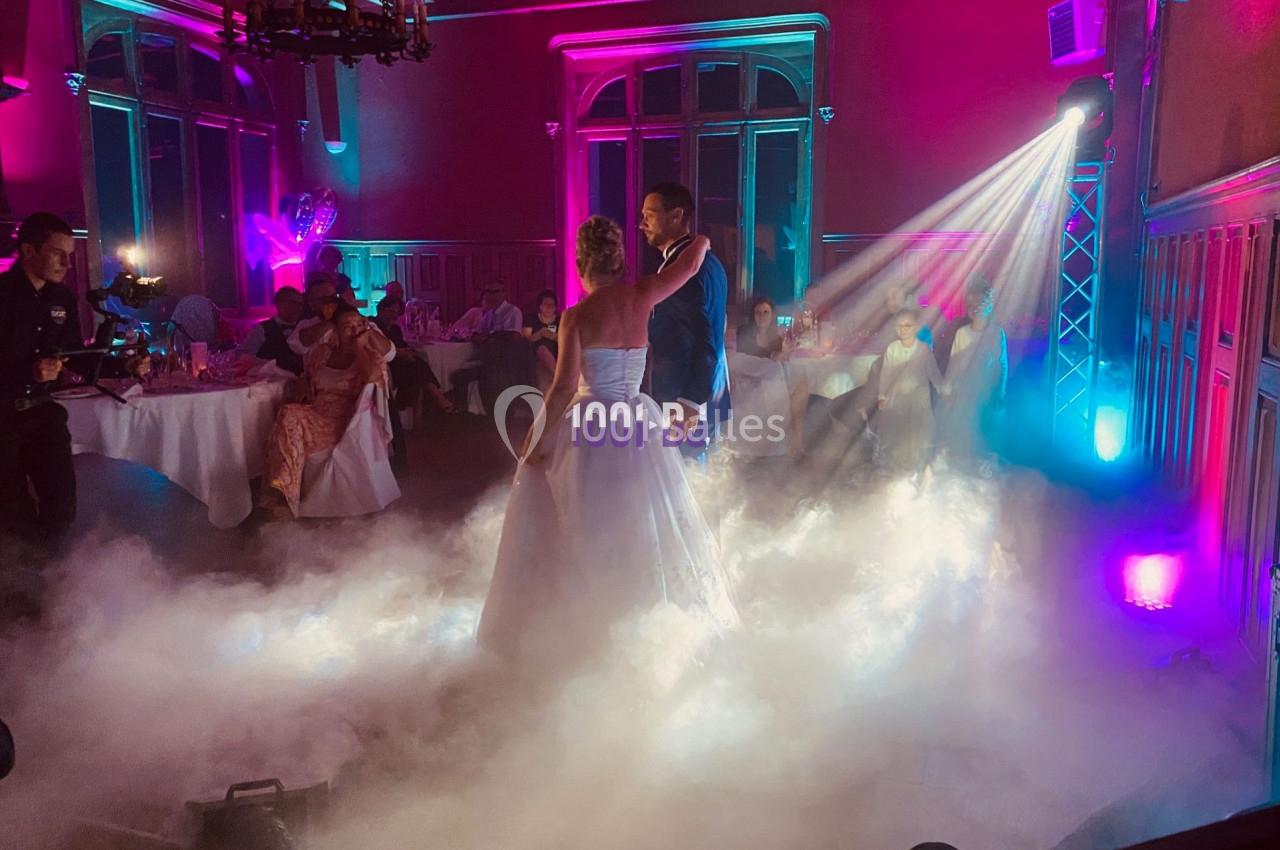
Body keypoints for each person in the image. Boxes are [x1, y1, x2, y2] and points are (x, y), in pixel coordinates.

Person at [477, 216, 738, 661]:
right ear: (619, 261)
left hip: (590, 423)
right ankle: (638, 614)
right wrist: (706, 238)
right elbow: (693, 263)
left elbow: (561, 389)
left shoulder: (576, 317)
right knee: (642, 519)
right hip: (637, 420)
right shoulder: (642, 295)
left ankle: (583, 622)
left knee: (580, 521)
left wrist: (534, 441)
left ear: (581, 262)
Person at [0, 213, 148, 545]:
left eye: (70, 253)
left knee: (62, 508)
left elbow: (75, 359)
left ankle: (48, 582)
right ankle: (23, 590)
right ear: (28, 250)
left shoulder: (62, 299)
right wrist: (29, 371)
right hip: (4, 417)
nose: (66, 263)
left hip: (42, 413)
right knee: (13, 517)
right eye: (56, 253)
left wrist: (124, 367)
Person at [262, 305, 391, 518]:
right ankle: (281, 493)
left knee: (290, 417)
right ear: (335, 332)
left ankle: (282, 498)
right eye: (347, 327)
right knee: (285, 415)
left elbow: (372, 378)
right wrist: (303, 383)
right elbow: (308, 377)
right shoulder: (322, 353)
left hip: (348, 421)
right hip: (316, 413)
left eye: (359, 325)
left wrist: (359, 346)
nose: (355, 330)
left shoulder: (370, 357)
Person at [641, 182, 730, 446]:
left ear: (676, 216)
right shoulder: (711, 262)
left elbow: (705, 335)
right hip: (705, 392)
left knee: (680, 480)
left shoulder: (683, 270)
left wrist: (688, 402)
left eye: (650, 214)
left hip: (684, 398)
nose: (642, 223)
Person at [938, 280, 1007, 466]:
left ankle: (982, 464)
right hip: (964, 390)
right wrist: (947, 388)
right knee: (964, 426)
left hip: (986, 389)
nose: (975, 309)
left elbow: (1003, 365)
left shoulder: (996, 333)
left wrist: (1000, 391)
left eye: (980, 304)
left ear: (990, 306)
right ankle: (962, 461)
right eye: (971, 305)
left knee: (984, 428)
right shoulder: (962, 333)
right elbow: (954, 363)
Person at [876, 308, 946, 472]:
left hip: (918, 399)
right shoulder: (892, 349)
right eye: (899, 326)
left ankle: (918, 464)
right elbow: (885, 374)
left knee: (918, 432)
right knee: (899, 432)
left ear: (916, 327)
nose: (903, 330)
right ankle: (899, 464)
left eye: (908, 325)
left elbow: (933, 373)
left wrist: (943, 390)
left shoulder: (923, 349)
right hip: (898, 398)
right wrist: (882, 395)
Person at [374, 296, 456, 415]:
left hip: (400, 362)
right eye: (392, 311)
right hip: (386, 364)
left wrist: (408, 352)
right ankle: (439, 398)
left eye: (397, 312)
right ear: (382, 309)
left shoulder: (396, 329)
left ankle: (436, 401)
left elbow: (403, 345)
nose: (395, 315)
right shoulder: (373, 325)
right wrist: (400, 353)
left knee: (417, 364)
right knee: (417, 366)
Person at [236, 286, 305, 374]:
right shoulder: (262, 329)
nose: (298, 308)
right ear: (279, 303)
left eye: (300, 304)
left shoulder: (305, 326)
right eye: (293, 303)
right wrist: (265, 365)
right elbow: (242, 354)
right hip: (271, 382)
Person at [523, 289, 559, 390]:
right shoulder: (531, 318)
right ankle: (558, 377)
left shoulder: (560, 319)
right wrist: (541, 333)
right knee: (542, 348)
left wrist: (553, 336)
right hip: (536, 349)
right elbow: (525, 340)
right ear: (540, 306)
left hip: (556, 349)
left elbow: (564, 339)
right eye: (546, 304)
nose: (549, 307)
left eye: (551, 305)